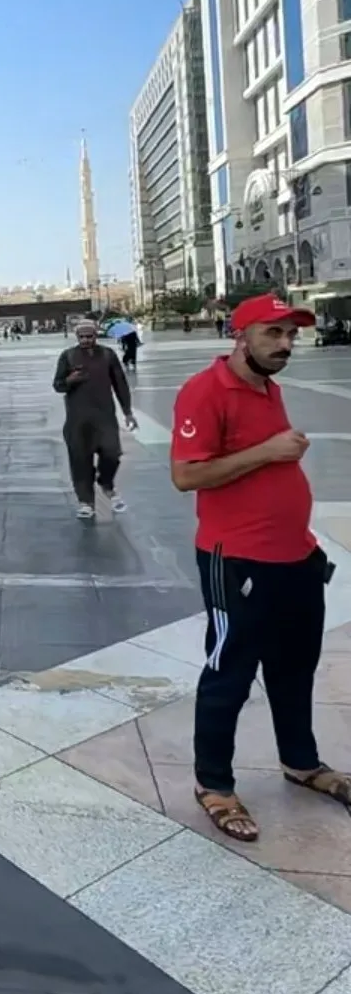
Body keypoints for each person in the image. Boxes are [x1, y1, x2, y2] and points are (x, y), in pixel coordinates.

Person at [171, 292, 350, 842]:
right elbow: (186, 475)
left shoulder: (267, 387)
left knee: (295, 668)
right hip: (238, 561)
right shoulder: (205, 390)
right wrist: (269, 452)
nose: (285, 344)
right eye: (273, 333)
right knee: (229, 674)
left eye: (291, 334)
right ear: (239, 335)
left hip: (295, 557)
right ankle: (214, 784)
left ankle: (301, 762)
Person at [53, 319, 138, 519]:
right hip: (78, 421)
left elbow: (120, 384)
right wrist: (70, 380)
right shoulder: (68, 356)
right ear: (76, 337)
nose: (85, 340)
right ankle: (86, 502)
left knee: (112, 453)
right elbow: (58, 385)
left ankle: (106, 482)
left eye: (89, 336)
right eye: (81, 337)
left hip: (105, 418)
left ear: (96, 335)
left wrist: (127, 412)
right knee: (80, 461)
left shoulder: (107, 355)